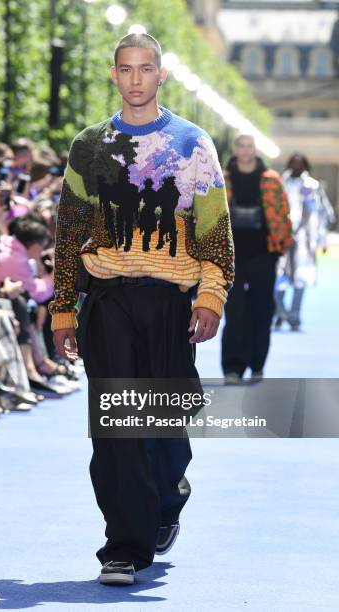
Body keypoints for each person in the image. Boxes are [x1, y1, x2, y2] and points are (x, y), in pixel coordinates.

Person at [49, 33, 234, 585]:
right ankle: (123, 544)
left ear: (162, 75)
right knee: (115, 427)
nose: (135, 79)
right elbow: (68, 236)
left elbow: (215, 231)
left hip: (170, 300)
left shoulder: (194, 142)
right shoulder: (88, 146)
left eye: (145, 68)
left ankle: (167, 495)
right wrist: (63, 311)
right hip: (108, 299)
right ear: (114, 75)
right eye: (126, 69)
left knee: (163, 421)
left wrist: (210, 296)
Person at [221, 134, 292, 384]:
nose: (245, 150)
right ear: (235, 149)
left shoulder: (272, 180)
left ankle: (257, 364)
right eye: (241, 145)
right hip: (231, 256)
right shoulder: (222, 179)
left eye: (249, 146)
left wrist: (282, 246)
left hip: (265, 253)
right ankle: (232, 368)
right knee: (234, 310)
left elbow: (283, 214)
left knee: (262, 311)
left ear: (255, 150)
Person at [275, 153, 336, 331]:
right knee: (278, 276)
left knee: (300, 277)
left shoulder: (312, 186)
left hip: (304, 240)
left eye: (300, 163)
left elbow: (323, 214)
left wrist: (322, 240)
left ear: (305, 166)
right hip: (281, 237)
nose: (296, 166)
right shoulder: (279, 184)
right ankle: (281, 312)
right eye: (293, 162)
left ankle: (294, 315)